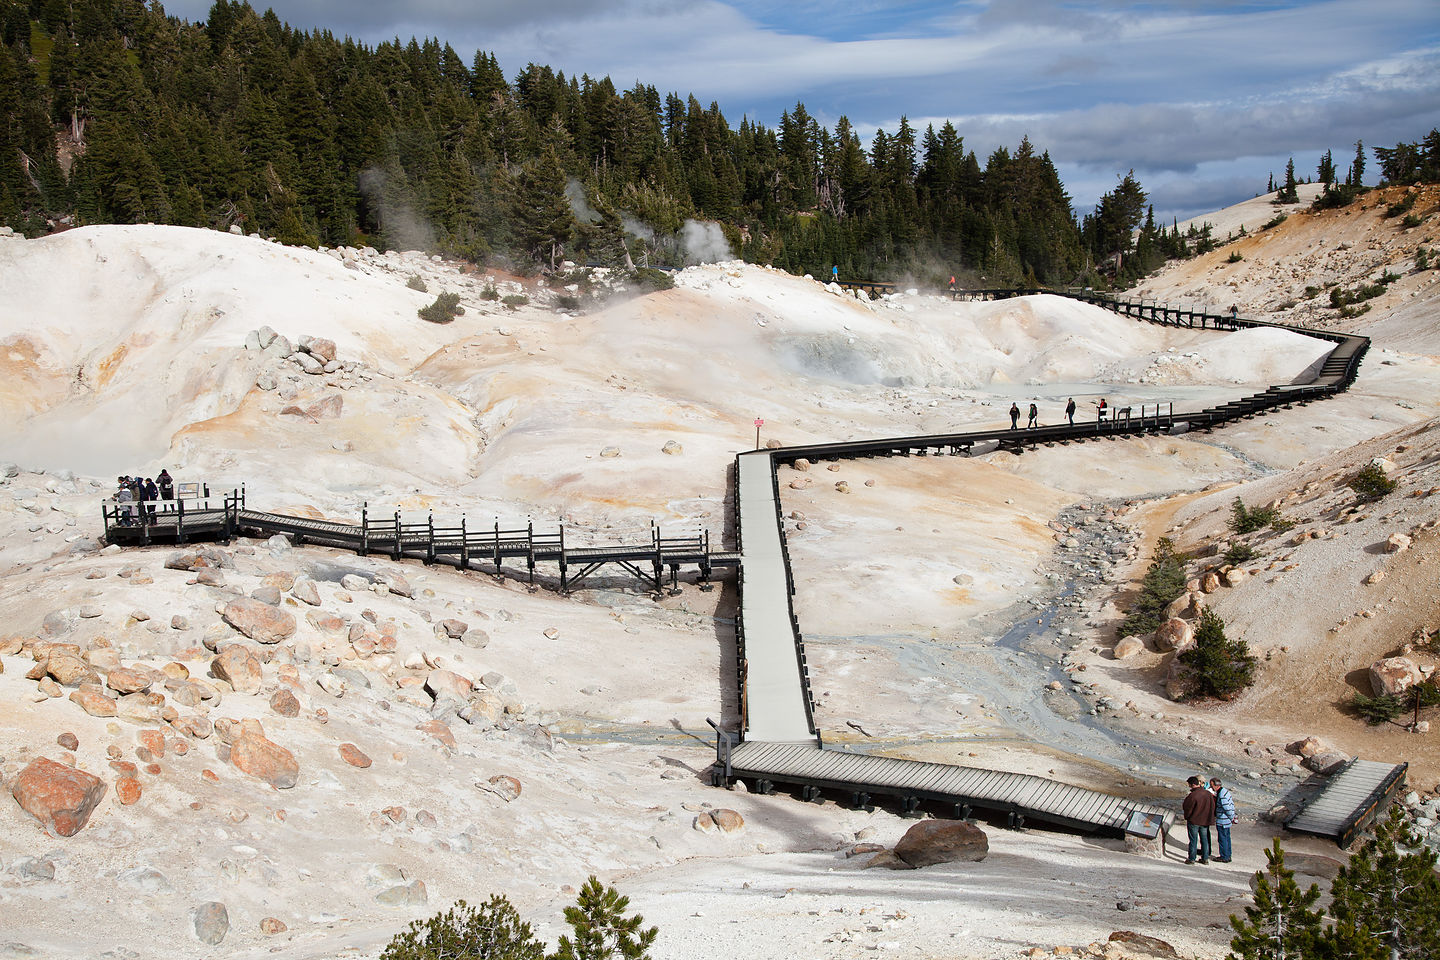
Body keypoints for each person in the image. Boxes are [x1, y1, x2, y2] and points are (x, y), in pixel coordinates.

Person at [1182, 775, 1216, 864]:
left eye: (1189, 785)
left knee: (1193, 840)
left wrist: (1187, 817)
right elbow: (1212, 806)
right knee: (1204, 840)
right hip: (1205, 821)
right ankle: (1205, 859)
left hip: (1194, 821)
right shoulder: (1208, 794)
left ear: (1193, 784)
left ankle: (1191, 859)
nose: (1189, 786)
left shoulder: (1193, 795)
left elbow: (1187, 808)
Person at [1210, 778, 1235, 863]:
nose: (1210, 787)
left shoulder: (1222, 794)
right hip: (1226, 820)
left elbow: (1226, 807)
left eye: (1211, 785)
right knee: (1227, 838)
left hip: (1223, 820)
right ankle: (1228, 855)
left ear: (1216, 785)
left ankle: (1224, 856)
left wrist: (1232, 817)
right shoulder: (1225, 791)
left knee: (1222, 839)